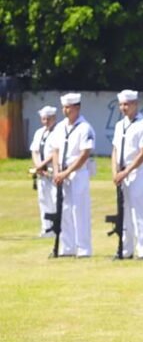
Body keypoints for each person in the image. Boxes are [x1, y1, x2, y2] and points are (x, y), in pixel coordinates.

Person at [110, 89, 143, 259]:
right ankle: (125, 248)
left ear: (135, 104)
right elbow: (115, 149)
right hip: (122, 173)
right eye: (121, 104)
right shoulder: (120, 125)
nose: (123, 108)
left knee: (140, 212)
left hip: (137, 172)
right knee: (124, 212)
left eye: (127, 104)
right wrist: (115, 172)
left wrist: (127, 171)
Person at [50, 93, 95, 258]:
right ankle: (67, 247)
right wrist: (56, 171)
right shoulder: (60, 127)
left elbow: (84, 154)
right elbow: (55, 150)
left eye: (68, 107)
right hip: (61, 174)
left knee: (79, 210)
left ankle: (83, 248)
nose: (65, 110)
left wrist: (67, 172)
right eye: (64, 107)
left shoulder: (85, 128)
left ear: (77, 107)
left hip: (77, 173)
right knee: (64, 210)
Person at [29, 105, 58, 237]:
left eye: (48, 119)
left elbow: (55, 153)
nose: (45, 122)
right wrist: (38, 166)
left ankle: (57, 226)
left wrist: (42, 165)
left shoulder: (58, 132)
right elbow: (34, 150)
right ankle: (46, 227)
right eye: (43, 119)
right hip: (41, 172)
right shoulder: (39, 133)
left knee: (55, 199)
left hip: (53, 170)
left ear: (54, 118)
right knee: (43, 199)